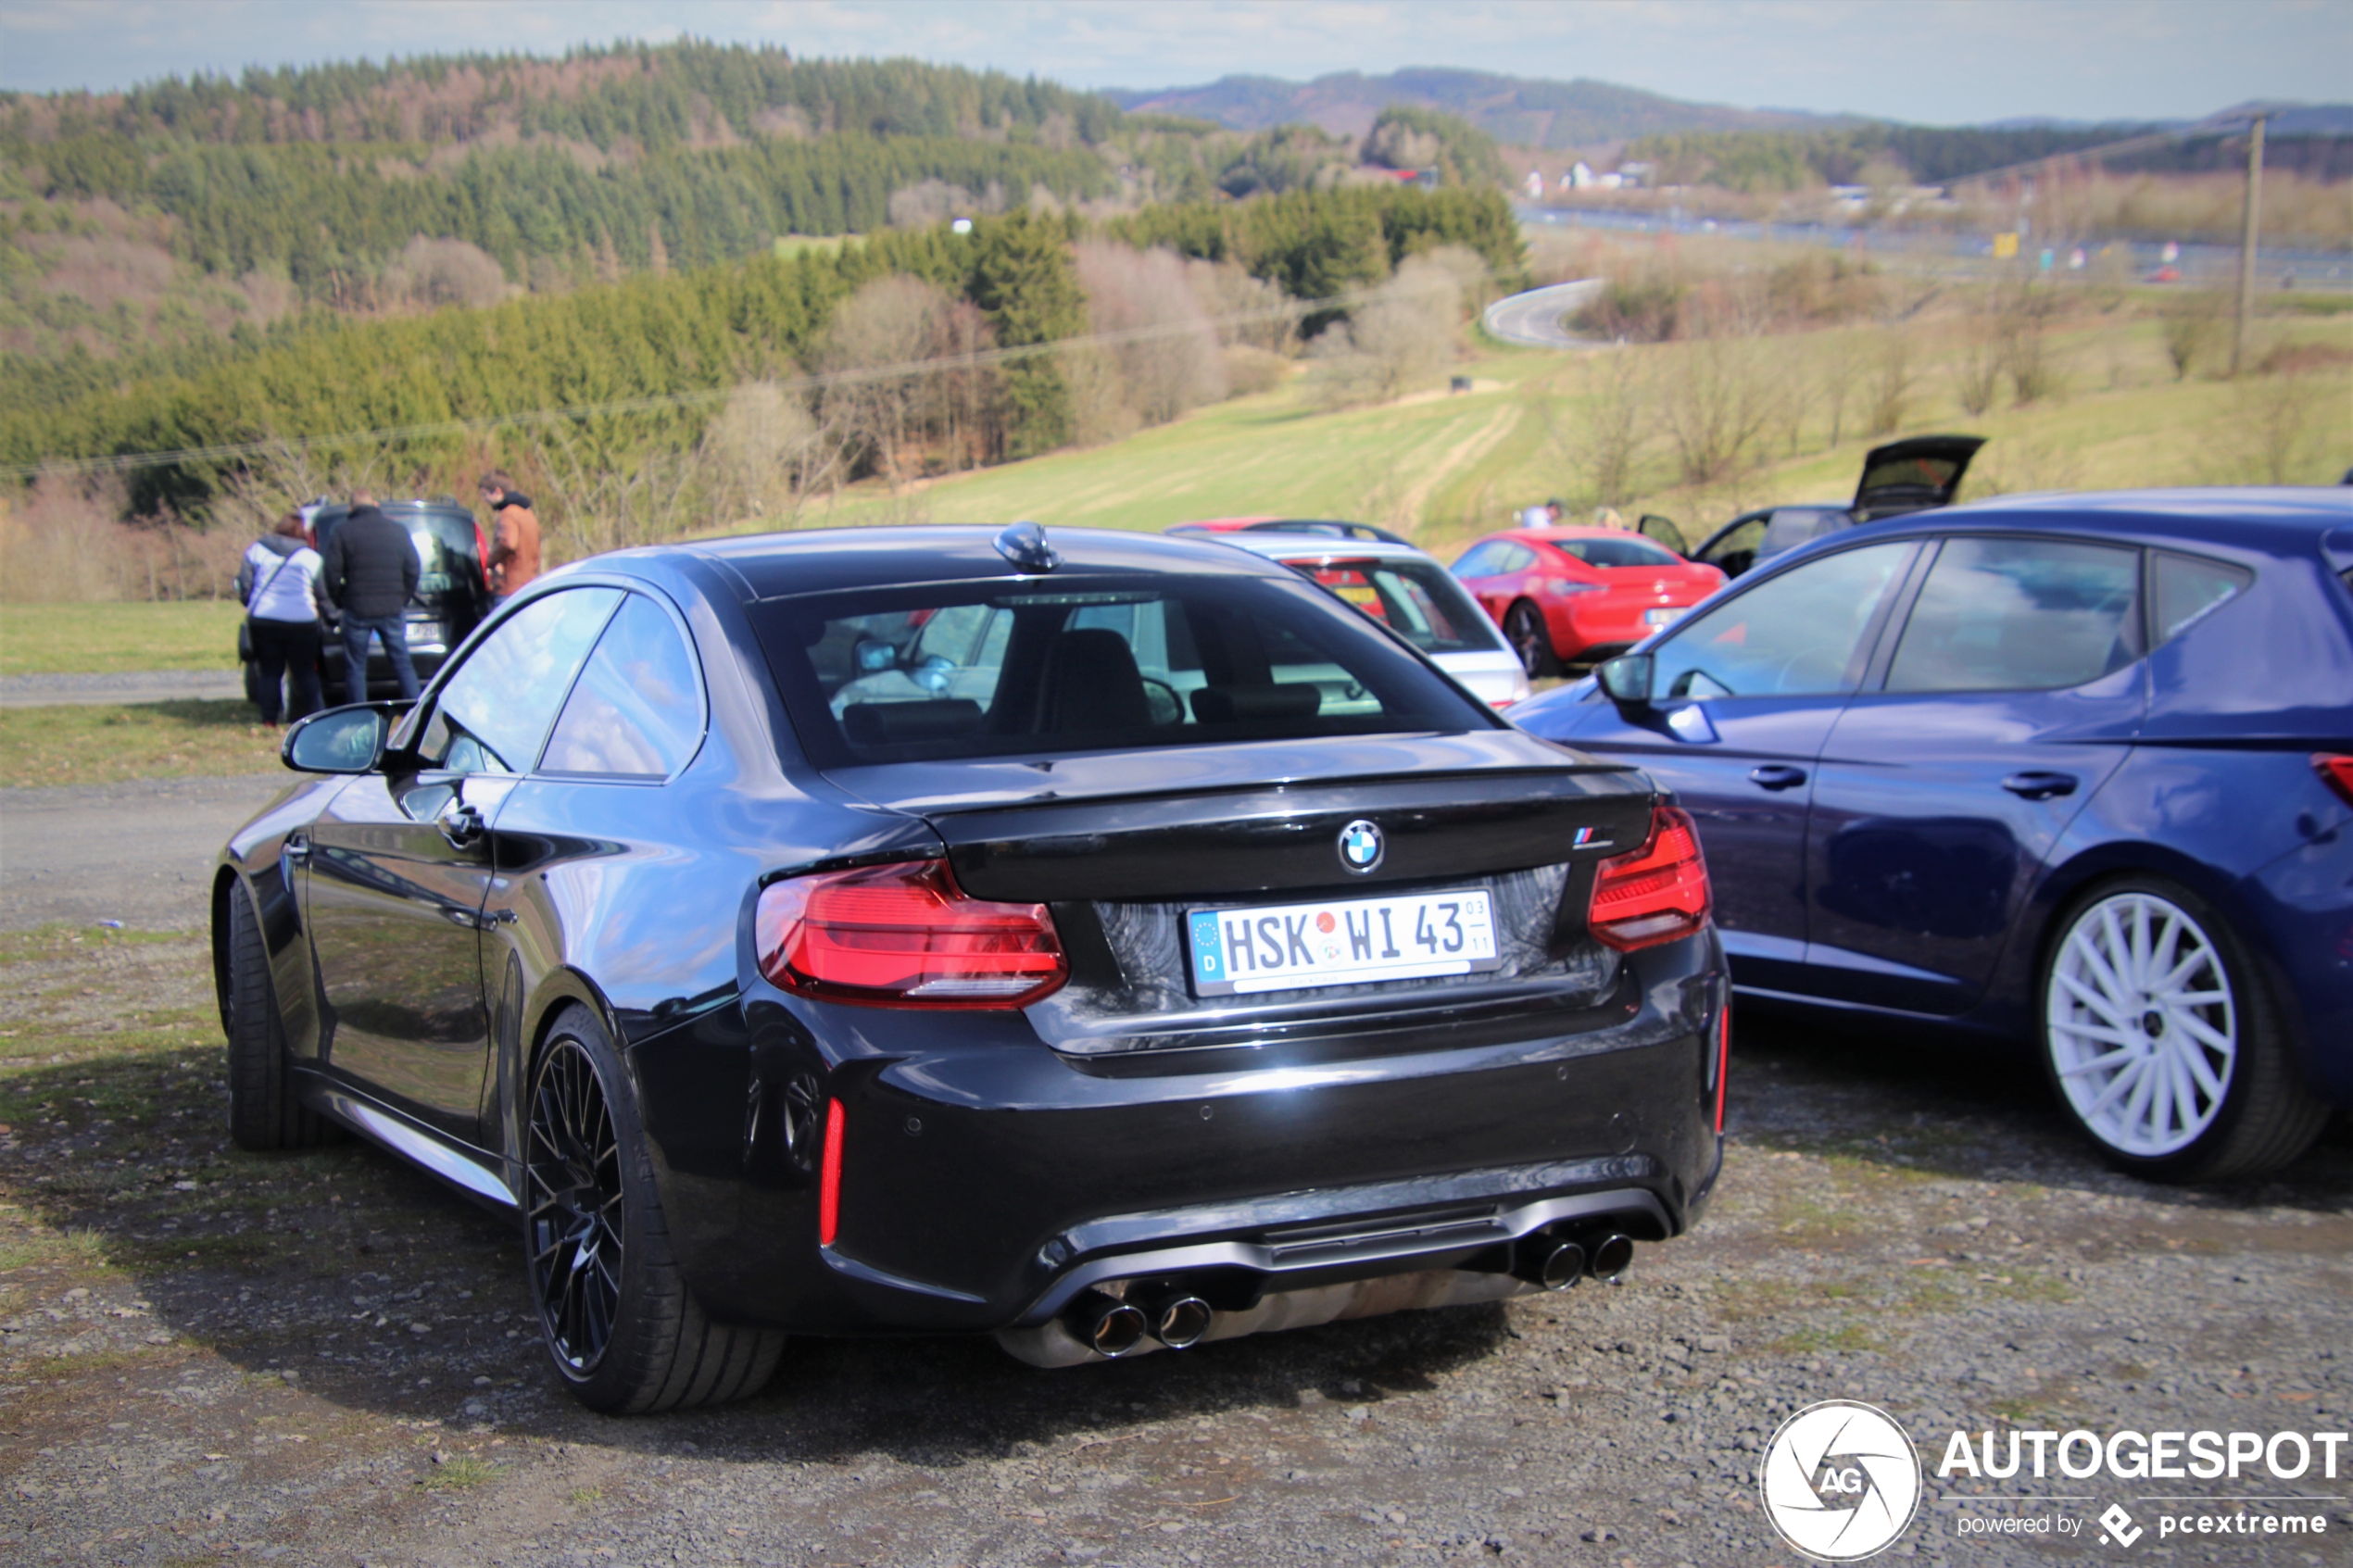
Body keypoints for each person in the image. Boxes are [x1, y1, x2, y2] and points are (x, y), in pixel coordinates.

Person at [321, 489, 421, 706]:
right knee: (402, 662)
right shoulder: (398, 530)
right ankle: (415, 709)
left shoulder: (342, 532)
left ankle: (360, 713)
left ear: (351, 509)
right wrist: (403, 597)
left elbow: (331, 573)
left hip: (357, 608)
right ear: (376, 505)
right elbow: (413, 568)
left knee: (356, 667)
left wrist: (340, 601)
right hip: (392, 607)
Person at [240, 510, 327, 728]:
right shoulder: (310, 557)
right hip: (302, 620)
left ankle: (269, 719)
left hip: (265, 619)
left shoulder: (257, 550)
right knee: (305, 672)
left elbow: (245, 586)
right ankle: (319, 716)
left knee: (269, 672)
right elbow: (322, 592)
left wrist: (250, 603)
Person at [479, 470, 542, 603]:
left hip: (509, 588)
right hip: (529, 584)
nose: (484, 500)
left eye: (485, 495)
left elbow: (507, 542)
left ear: (497, 491)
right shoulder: (526, 512)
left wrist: (489, 561)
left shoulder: (507, 514)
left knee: (504, 624)